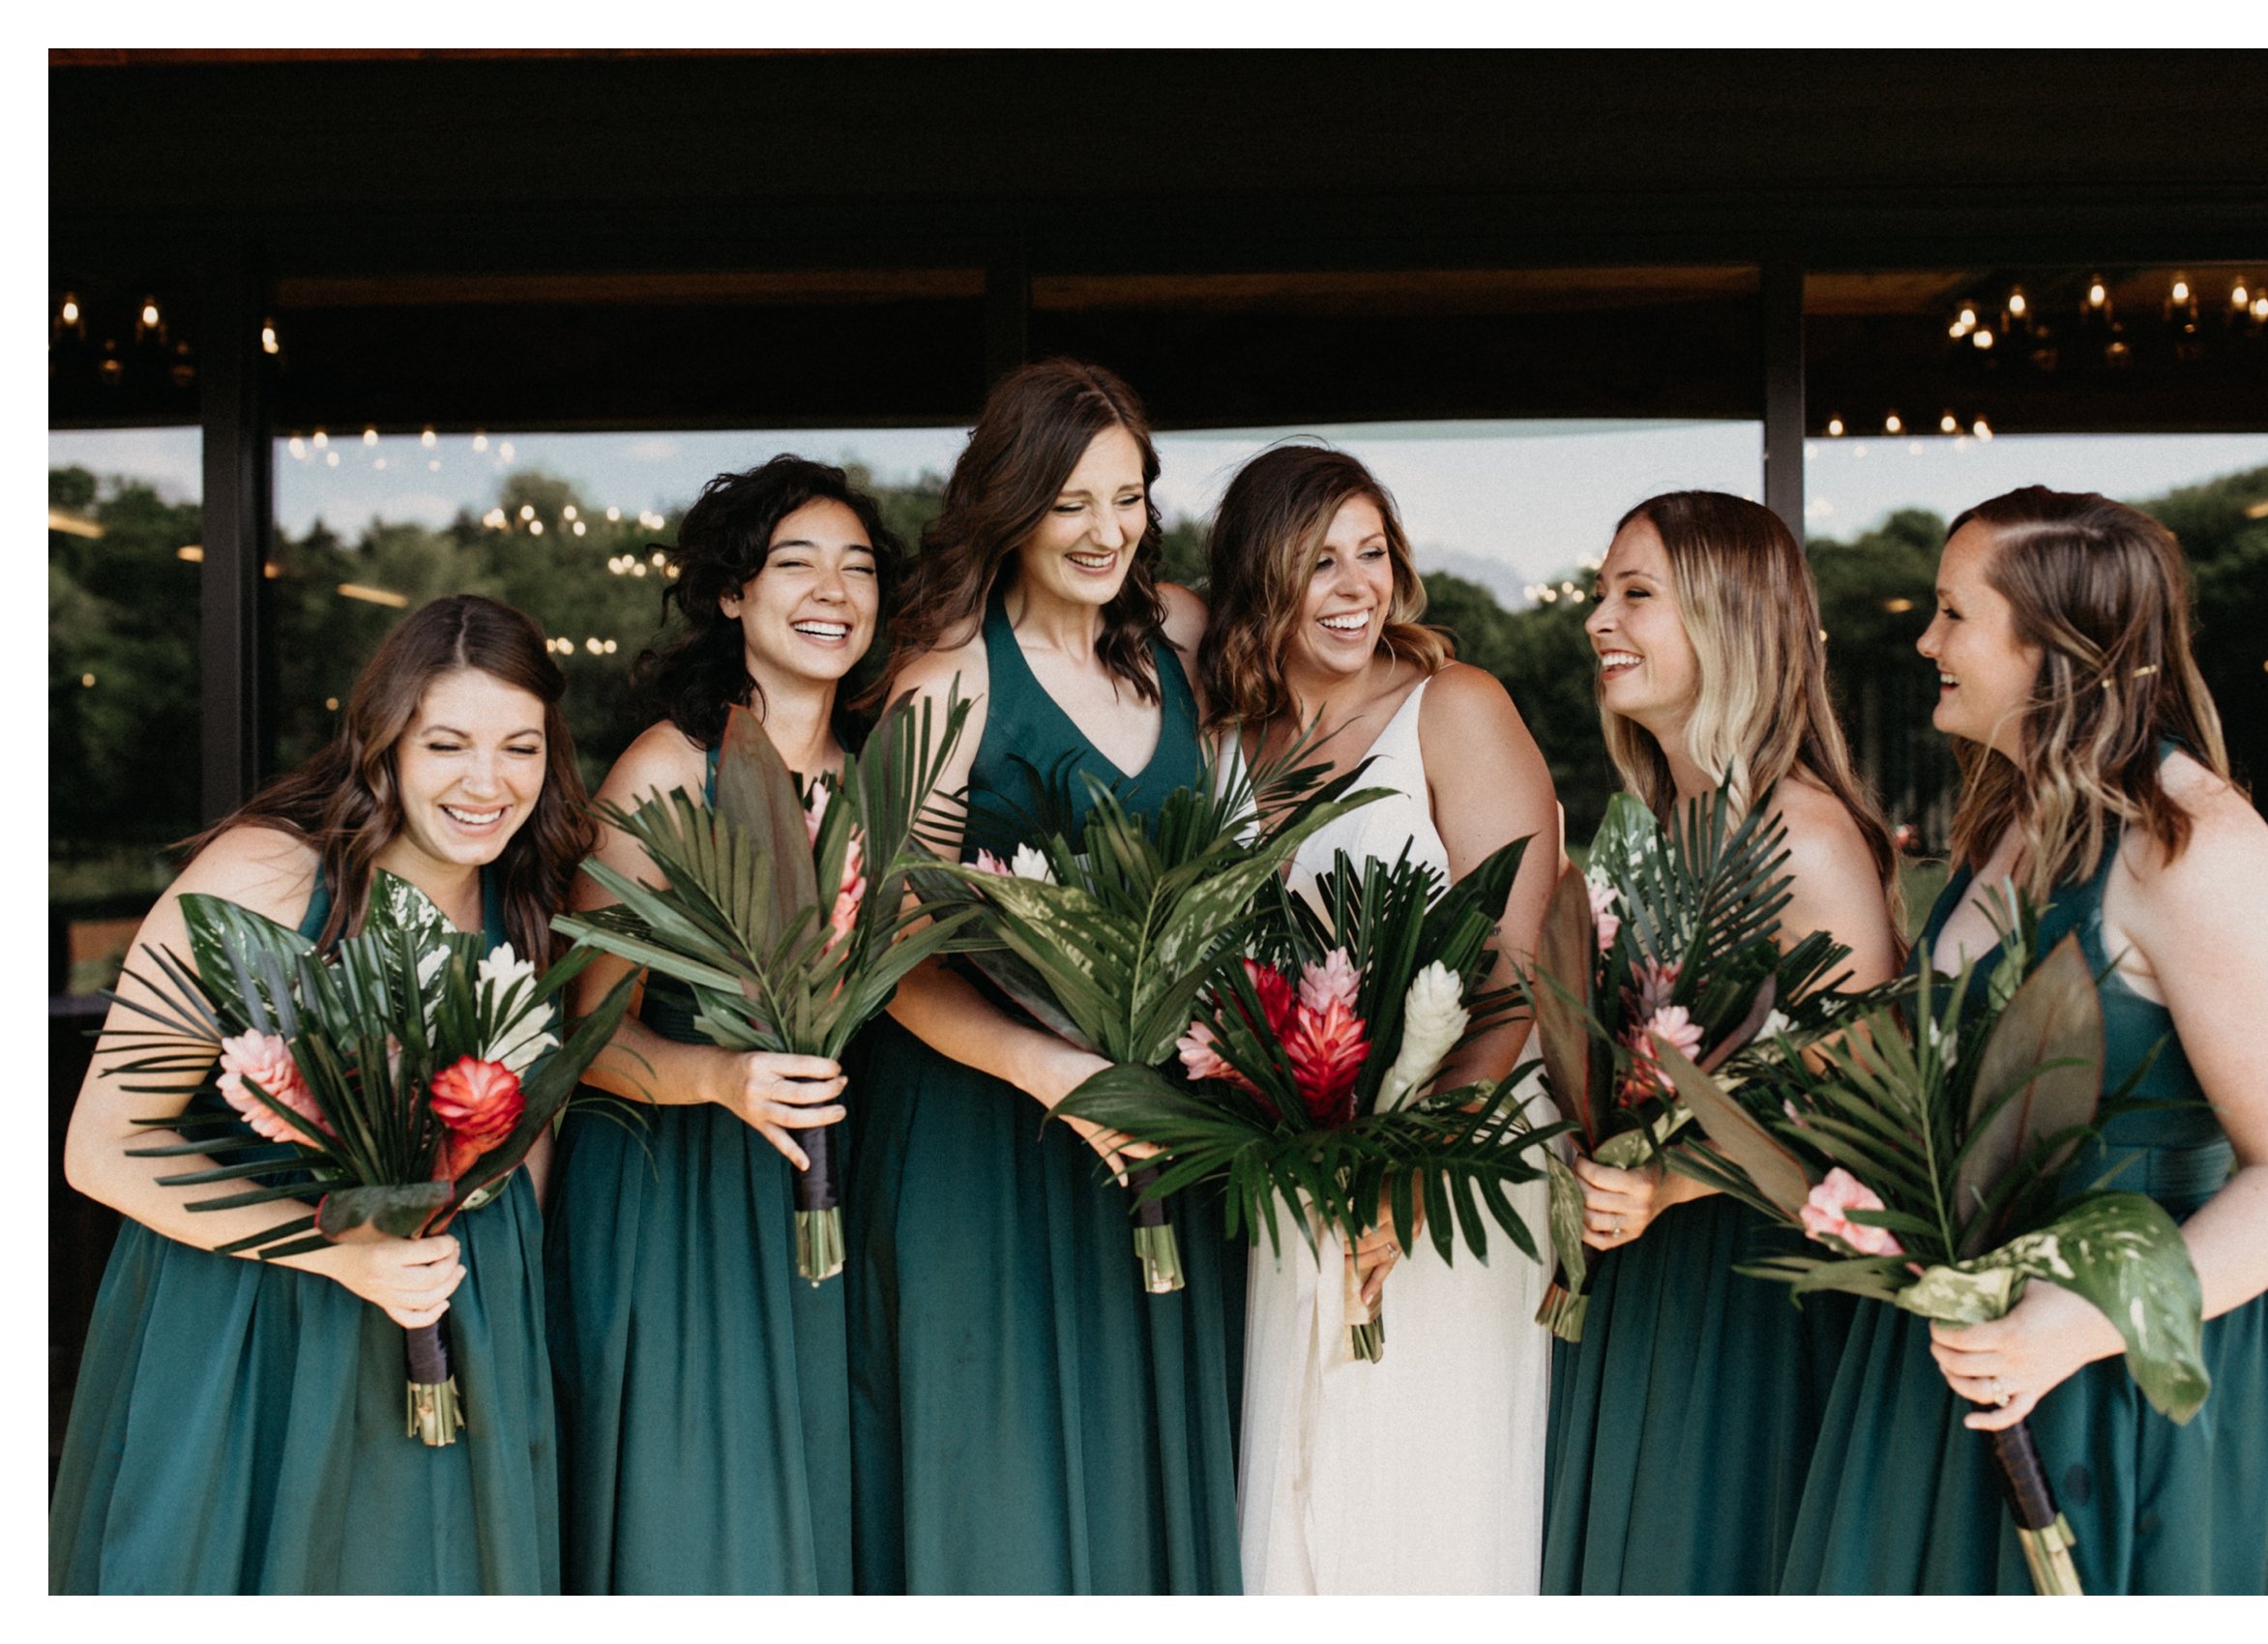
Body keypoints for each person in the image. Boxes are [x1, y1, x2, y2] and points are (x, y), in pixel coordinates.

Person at [1783, 485, 2268, 1594]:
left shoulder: (2191, 848)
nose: (1925, 640)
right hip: (1969, 1348)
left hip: (2120, 1366)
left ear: (2053, 648)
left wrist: (2077, 1325)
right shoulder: (2007, 825)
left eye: (1954, 613)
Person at [51, 595, 588, 1594]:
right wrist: (337, 1252)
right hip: (260, 1321)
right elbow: (103, 1144)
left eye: (521, 746)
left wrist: (513, 1313)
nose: (489, 780)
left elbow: (529, 1118)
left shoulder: (529, 891)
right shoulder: (268, 871)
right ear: (382, 741)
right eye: (447, 743)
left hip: (459, 1306)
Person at [842, 358, 1242, 1594]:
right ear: (1009, 505)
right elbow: (891, 953)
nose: (1105, 529)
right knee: (1003, 1472)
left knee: (1157, 1452)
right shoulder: (943, 679)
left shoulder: (1177, 633)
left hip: (1164, 1117)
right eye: (1071, 501)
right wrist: (1061, 1073)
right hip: (986, 1127)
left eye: (1126, 497)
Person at [1195, 442, 1562, 1593]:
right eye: (1319, 562)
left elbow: (1514, 971)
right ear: (1259, 581)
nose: (1358, 586)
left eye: (1373, 553)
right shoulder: (1222, 744)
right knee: (1303, 1481)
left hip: (1454, 1163)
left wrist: (1414, 1176)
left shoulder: (1452, 709)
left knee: (1419, 1486)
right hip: (1288, 1176)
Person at [543, 457, 898, 1593]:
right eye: (795, 562)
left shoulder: (880, 778)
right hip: (678, 1195)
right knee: (699, 1518)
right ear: (732, 594)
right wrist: (721, 1077)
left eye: (857, 566)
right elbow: (585, 1034)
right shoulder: (667, 766)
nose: (832, 588)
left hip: (830, 1181)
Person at [1541, 491, 1901, 1594]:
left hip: (1747, 1301)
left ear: (1732, 618)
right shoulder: (1652, 821)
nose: (1599, 618)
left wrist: (1674, 1179)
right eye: (1601, 592)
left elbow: (1873, 1114)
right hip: (1639, 1278)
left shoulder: (1801, 832)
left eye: (1635, 594)